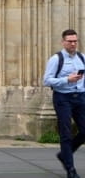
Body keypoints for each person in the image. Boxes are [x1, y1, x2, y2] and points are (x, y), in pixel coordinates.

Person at [43, 29, 85, 178]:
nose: (73, 44)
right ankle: (70, 169)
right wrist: (67, 80)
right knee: (66, 134)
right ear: (63, 42)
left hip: (80, 97)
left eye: (75, 41)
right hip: (63, 98)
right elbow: (46, 81)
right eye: (70, 41)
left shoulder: (82, 57)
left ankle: (64, 155)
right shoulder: (56, 59)